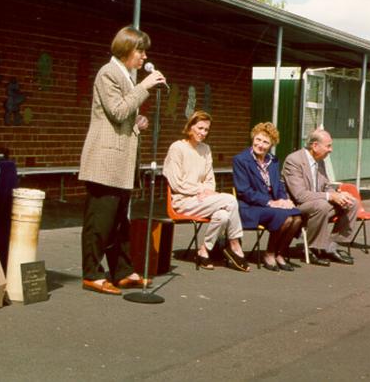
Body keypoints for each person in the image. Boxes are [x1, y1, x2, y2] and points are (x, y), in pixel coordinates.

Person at [78, 25, 167, 295]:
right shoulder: (108, 73)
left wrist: (136, 123)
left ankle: (122, 271)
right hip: (105, 161)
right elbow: (117, 111)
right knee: (100, 220)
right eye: (140, 51)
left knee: (119, 220)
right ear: (126, 49)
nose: (143, 57)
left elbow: (121, 116)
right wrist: (144, 87)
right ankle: (92, 273)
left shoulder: (126, 76)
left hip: (121, 163)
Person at [163, 110, 249, 272]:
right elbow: (176, 184)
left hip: (201, 200)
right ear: (190, 127)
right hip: (183, 201)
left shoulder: (206, 149)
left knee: (223, 216)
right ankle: (235, 244)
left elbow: (210, 180)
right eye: (200, 128)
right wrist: (201, 189)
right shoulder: (177, 148)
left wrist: (207, 190)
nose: (203, 133)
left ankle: (204, 250)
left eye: (206, 130)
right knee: (230, 200)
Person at [282, 129, 358, 266]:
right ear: (315, 146)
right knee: (321, 206)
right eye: (328, 146)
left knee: (351, 202)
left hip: (319, 203)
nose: (331, 150)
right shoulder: (293, 160)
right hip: (299, 206)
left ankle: (331, 246)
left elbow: (325, 185)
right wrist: (330, 196)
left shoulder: (320, 161)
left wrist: (339, 195)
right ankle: (313, 249)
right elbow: (300, 196)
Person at [233, 122, 303, 272]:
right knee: (286, 218)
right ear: (253, 138)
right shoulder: (240, 160)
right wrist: (271, 202)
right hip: (249, 206)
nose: (260, 144)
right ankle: (269, 253)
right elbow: (244, 191)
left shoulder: (273, 160)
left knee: (297, 217)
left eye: (265, 142)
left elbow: (278, 185)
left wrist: (284, 200)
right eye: (258, 139)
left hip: (271, 205)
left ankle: (280, 254)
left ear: (271, 144)